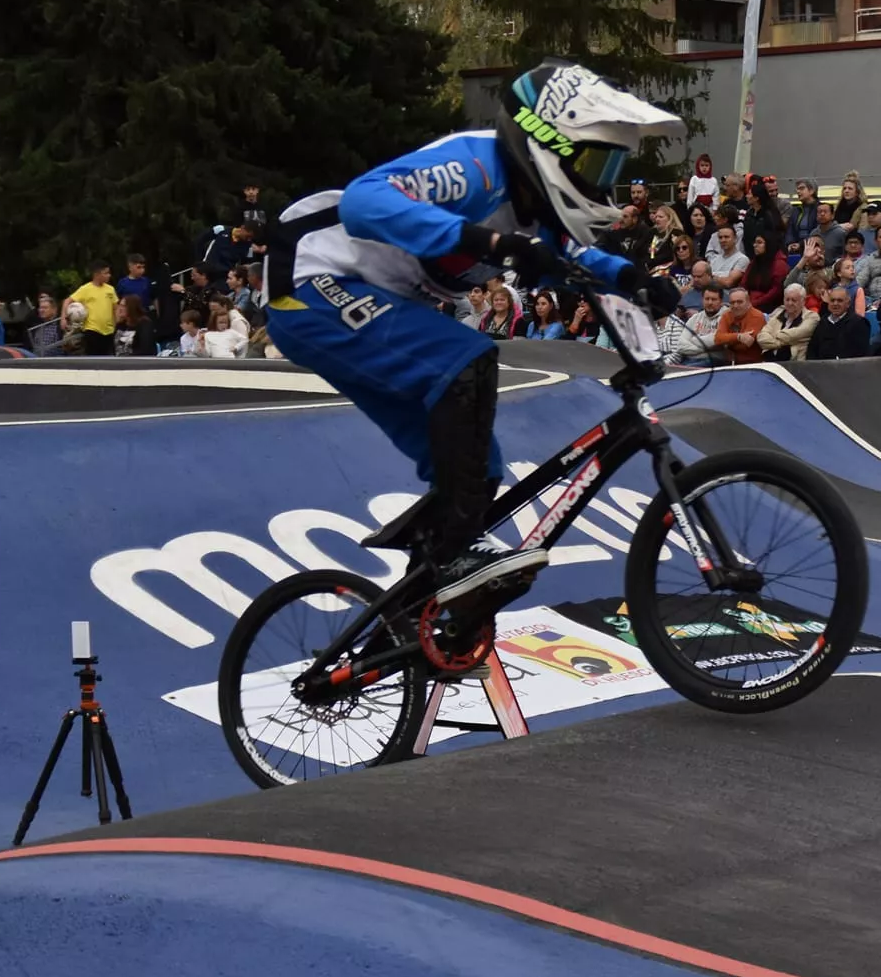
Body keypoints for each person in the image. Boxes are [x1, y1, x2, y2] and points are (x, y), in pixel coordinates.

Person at [265, 60, 665, 608]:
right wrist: (492, 244)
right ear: (546, 143)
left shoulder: (533, 206)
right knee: (465, 357)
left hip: (367, 299)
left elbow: (565, 258)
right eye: (594, 161)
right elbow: (362, 201)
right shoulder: (476, 167)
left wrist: (632, 278)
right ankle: (453, 554)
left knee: (477, 474)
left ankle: (418, 609)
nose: (602, 181)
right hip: (310, 281)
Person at [67, 263, 119, 355]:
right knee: (93, 357)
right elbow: (67, 301)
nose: (109, 275)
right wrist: (63, 318)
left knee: (108, 358)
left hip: (109, 331)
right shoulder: (86, 289)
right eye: (106, 273)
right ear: (97, 275)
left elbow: (115, 308)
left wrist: (116, 325)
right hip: (92, 330)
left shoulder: (110, 289)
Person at [808, 284, 871, 360]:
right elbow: (812, 349)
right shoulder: (823, 322)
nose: (835, 304)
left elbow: (860, 354)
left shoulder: (859, 323)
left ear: (848, 304)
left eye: (840, 300)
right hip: (820, 367)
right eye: (832, 300)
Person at [758, 284, 818, 362]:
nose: (790, 303)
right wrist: (781, 342)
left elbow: (794, 335)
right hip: (770, 361)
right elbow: (761, 338)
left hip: (793, 364)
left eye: (794, 300)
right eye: (787, 299)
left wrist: (773, 337)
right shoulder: (778, 313)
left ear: (803, 301)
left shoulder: (811, 317)